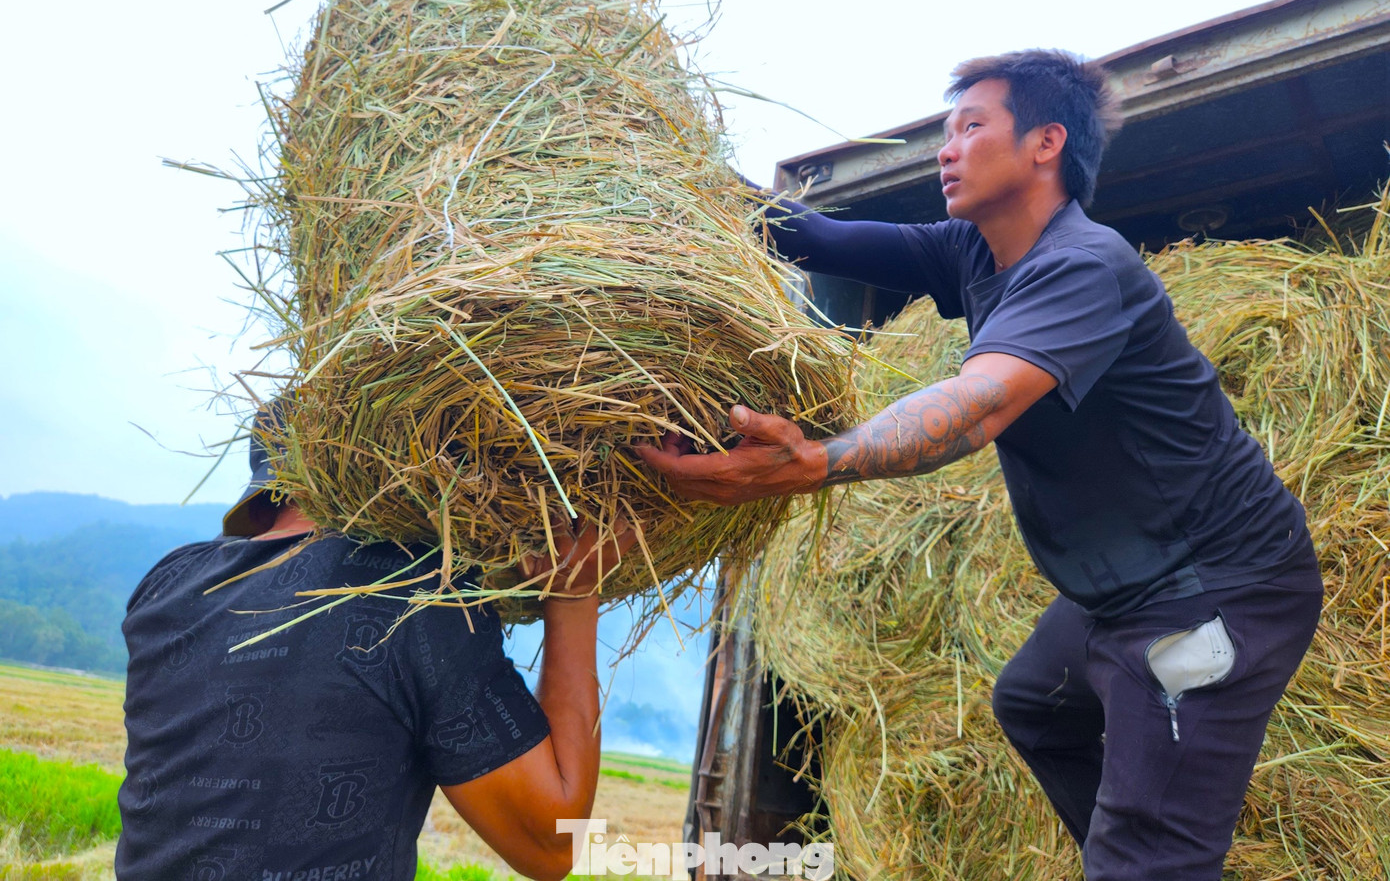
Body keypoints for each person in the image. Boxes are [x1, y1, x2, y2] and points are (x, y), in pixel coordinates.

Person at [637, 50, 1323, 880]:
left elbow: (979, 403)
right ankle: (1154, 843)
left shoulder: (1083, 265)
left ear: (1045, 143)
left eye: (970, 126)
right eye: (944, 131)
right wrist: (655, 153)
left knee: (1148, 852)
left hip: (1218, 593)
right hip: (1123, 590)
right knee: (1035, 704)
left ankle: (1156, 852)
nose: (945, 148)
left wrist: (816, 460)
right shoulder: (972, 251)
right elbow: (808, 234)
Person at [117, 407, 635, 881]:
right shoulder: (411, 589)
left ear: (260, 502)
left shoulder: (167, 587)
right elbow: (550, 843)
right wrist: (572, 596)